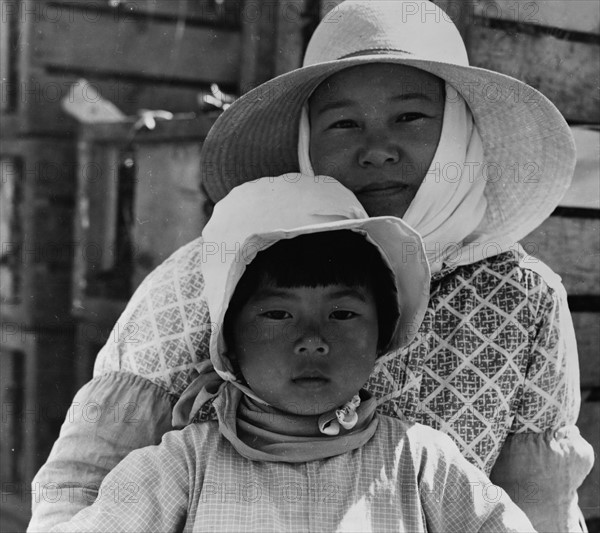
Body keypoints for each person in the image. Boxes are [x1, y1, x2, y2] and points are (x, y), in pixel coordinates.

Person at [29, 2, 593, 532]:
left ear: (460, 131)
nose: (378, 149)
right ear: (305, 141)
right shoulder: (217, 270)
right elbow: (82, 484)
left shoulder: (520, 296)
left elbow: (537, 507)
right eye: (343, 125)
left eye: (412, 117)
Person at [49, 174, 536, 533]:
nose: (312, 339)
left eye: (342, 314)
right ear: (230, 343)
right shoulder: (183, 466)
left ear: (382, 336)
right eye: (277, 315)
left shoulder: (419, 460)